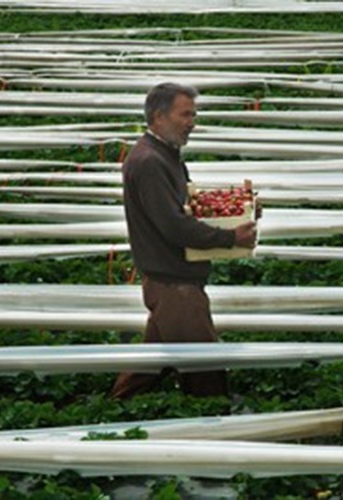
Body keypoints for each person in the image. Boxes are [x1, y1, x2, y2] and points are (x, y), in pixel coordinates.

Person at [110, 82, 257, 400]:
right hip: (173, 284)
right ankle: (214, 424)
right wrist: (231, 236)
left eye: (194, 114)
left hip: (172, 279)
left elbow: (190, 206)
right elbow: (174, 226)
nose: (192, 122)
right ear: (160, 117)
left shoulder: (166, 155)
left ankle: (110, 412)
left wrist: (243, 206)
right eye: (185, 114)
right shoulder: (150, 162)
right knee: (204, 368)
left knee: (151, 365)